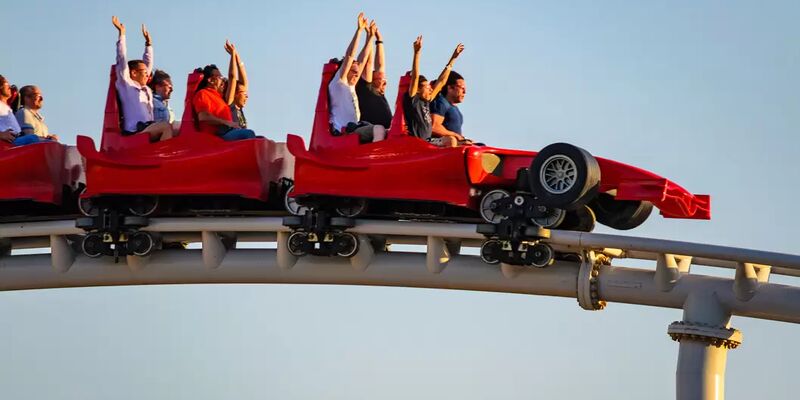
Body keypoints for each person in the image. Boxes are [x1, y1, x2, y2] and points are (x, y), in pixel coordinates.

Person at [111, 16, 172, 142]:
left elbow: (148, 64)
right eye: (144, 72)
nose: (147, 75)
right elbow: (121, 59)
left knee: (176, 129)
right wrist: (122, 35)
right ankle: (160, 158)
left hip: (148, 127)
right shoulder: (126, 85)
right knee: (166, 127)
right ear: (133, 73)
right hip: (135, 131)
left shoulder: (145, 89)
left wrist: (148, 44)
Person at [328, 13, 385, 144]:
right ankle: (375, 157)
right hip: (345, 132)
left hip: (356, 128)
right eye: (353, 71)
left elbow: (363, 59)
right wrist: (359, 31)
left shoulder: (351, 86)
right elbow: (350, 55)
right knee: (379, 129)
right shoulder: (338, 83)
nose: (356, 74)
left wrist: (370, 37)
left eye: (357, 72)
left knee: (387, 131)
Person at [403, 36, 464, 147]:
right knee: (450, 141)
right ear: (418, 90)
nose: (431, 89)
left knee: (465, 144)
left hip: (428, 141)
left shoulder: (427, 100)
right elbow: (415, 77)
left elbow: (441, 82)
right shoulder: (413, 100)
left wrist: (453, 58)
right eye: (427, 87)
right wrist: (417, 53)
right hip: (418, 143)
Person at [192, 50, 256, 141]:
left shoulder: (220, 97)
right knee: (248, 134)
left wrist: (236, 56)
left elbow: (241, 83)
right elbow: (203, 117)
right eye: (220, 77)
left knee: (261, 140)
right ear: (210, 80)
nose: (222, 80)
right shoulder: (203, 94)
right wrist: (227, 123)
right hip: (217, 137)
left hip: (228, 132)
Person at [355, 23, 392, 130]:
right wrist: (369, 36)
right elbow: (368, 62)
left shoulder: (379, 91)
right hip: (373, 133)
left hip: (387, 132)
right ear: (371, 79)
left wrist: (379, 40)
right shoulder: (365, 87)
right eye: (381, 80)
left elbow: (380, 65)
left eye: (385, 81)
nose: (385, 83)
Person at [431, 71, 466, 139]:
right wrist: (455, 135)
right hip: (443, 146)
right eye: (462, 88)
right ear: (450, 88)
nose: (464, 92)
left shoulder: (454, 108)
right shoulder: (441, 102)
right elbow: (434, 127)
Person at [224, 41, 248, 129]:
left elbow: (244, 82)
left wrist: (237, 55)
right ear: (236, 94)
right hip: (232, 139)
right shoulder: (230, 104)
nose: (247, 97)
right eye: (244, 94)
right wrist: (233, 55)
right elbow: (232, 77)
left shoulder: (239, 109)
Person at [0, 74, 21, 144]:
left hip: (17, 140)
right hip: (8, 144)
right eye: (6, 83)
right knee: (32, 138)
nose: (10, 86)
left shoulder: (8, 108)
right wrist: (1, 134)